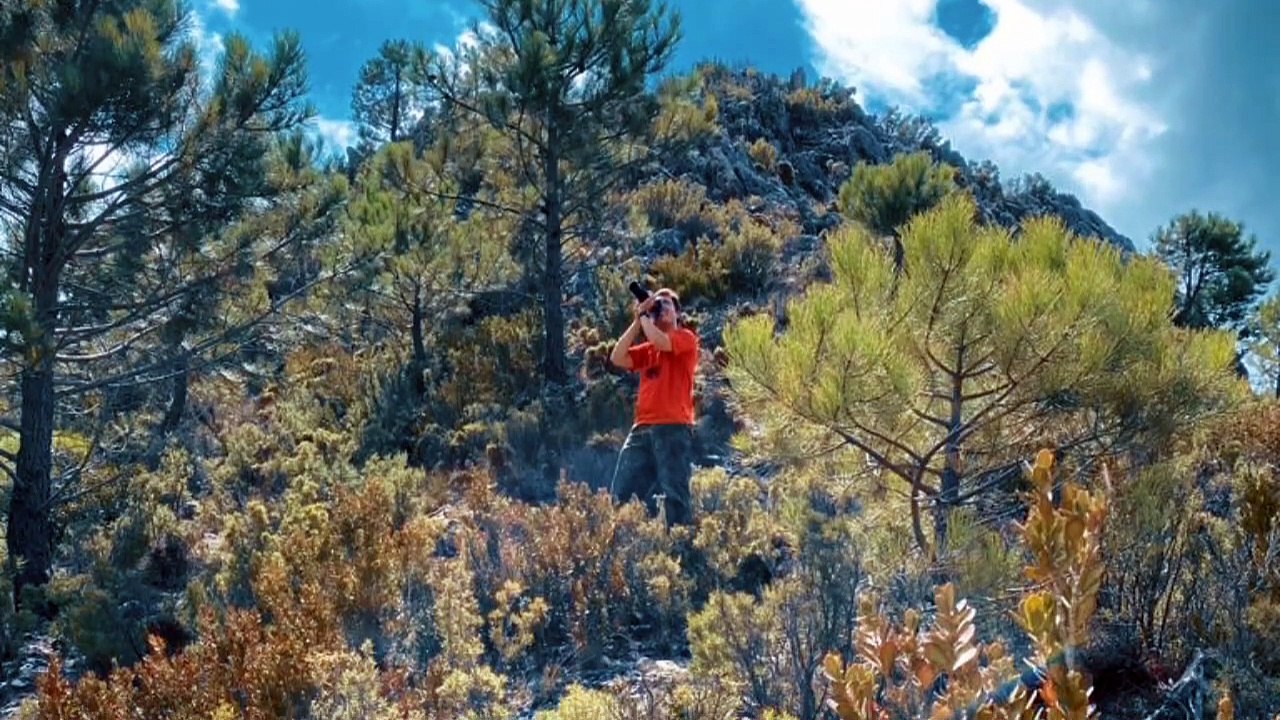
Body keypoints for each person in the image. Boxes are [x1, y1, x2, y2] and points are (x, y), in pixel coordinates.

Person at [609, 287, 699, 527]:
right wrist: (638, 321)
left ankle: (683, 553)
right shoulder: (649, 350)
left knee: (675, 498)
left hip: (673, 428)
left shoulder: (685, 338)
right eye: (658, 304)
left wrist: (646, 318)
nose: (662, 308)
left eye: (667, 304)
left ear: (678, 314)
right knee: (621, 496)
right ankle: (623, 551)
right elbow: (617, 358)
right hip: (641, 430)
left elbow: (662, 341)